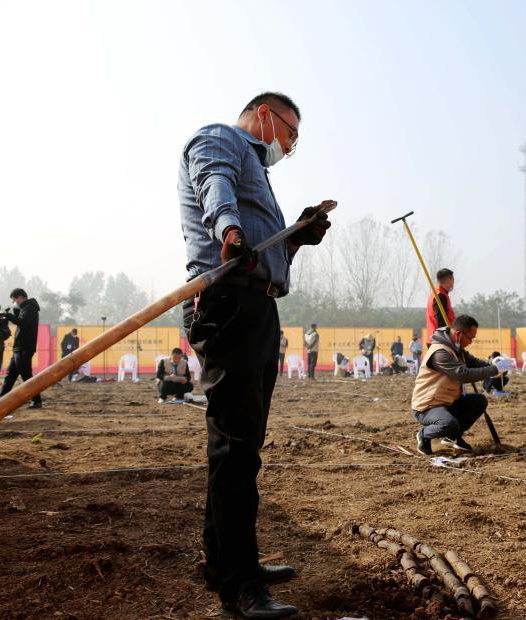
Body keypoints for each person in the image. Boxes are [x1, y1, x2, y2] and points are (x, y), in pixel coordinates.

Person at [178, 91, 333, 617]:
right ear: (265, 115)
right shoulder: (221, 138)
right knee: (237, 447)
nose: (288, 147)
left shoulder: (258, 173)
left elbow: (262, 251)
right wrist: (229, 229)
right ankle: (241, 585)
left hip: (255, 304)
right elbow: (213, 184)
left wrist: (296, 238)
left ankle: (224, 560)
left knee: (241, 444)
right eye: (290, 134)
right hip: (228, 302)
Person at [411, 315, 502, 455]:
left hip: (448, 402)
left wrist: (494, 366)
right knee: (448, 424)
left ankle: (452, 437)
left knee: (479, 401)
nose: (471, 342)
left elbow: (474, 362)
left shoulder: (457, 348)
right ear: (459, 334)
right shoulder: (440, 352)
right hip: (428, 406)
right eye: (470, 338)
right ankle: (424, 435)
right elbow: (462, 375)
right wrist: (493, 370)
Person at [0, 288, 42, 409]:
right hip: (19, 347)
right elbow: (20, 321)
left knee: (26, 375)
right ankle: (1, 400)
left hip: (24, 347)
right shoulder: (25, 308)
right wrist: (14, 312)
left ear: (20, 297)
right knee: (11, 374)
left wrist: (9, 316)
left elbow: (23, 323)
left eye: (14, 300)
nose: (14, 302)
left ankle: (36, 400)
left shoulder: (30, 308)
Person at [426, 268, 456, 336]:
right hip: (440, 338)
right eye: (453, 279)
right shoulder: (440, 296)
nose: (453, 283)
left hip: (436, 337)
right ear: (449, 280)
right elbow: (441, 321)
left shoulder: (436, 293)